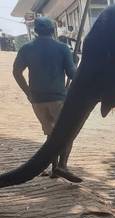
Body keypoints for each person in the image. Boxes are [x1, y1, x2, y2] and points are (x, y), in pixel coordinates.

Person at [12, 17, 81, 183]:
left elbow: (16, 72)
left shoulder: (26, 49)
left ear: (36, 31)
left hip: (37, 100)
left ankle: (54, 169)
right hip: (57, 98)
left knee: (51, 133)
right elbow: (73, 75)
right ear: (53, 30)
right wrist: (74, 62)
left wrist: (28, 92)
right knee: (66, 133)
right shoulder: (62, 48)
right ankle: (62, 165)